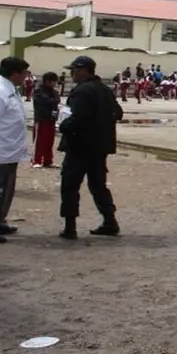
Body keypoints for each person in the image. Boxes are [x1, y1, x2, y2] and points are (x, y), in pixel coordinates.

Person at [58, 56, 124, 239]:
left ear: (83, 70)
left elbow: (77, 120)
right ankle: (110, 221)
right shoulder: (105, 90)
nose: (72, 74)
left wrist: (62, 125)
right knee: (98, 186)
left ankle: (70, 227)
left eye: (74, 70)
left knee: (70, 186)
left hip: (79, 146)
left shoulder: (82, 91)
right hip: (99, 147)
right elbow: (118, 113)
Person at [0, 57, 31, 243]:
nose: (26, 76)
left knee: (5, 191)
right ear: (15, 73)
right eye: (24, 73)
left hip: (9, 151)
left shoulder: (9, 89)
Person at [31, 72, 61, 168]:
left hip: (51, 119)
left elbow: (57, 100)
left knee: (49, 140)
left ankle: (48, 160)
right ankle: (36, 160)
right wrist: (52, 101)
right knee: (40, 140)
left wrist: (52, 101)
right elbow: (45, 100)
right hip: (41, 119)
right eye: (53, 81)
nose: (54, 84)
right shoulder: (38, 91)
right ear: (47, 81)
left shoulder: (54, 92)